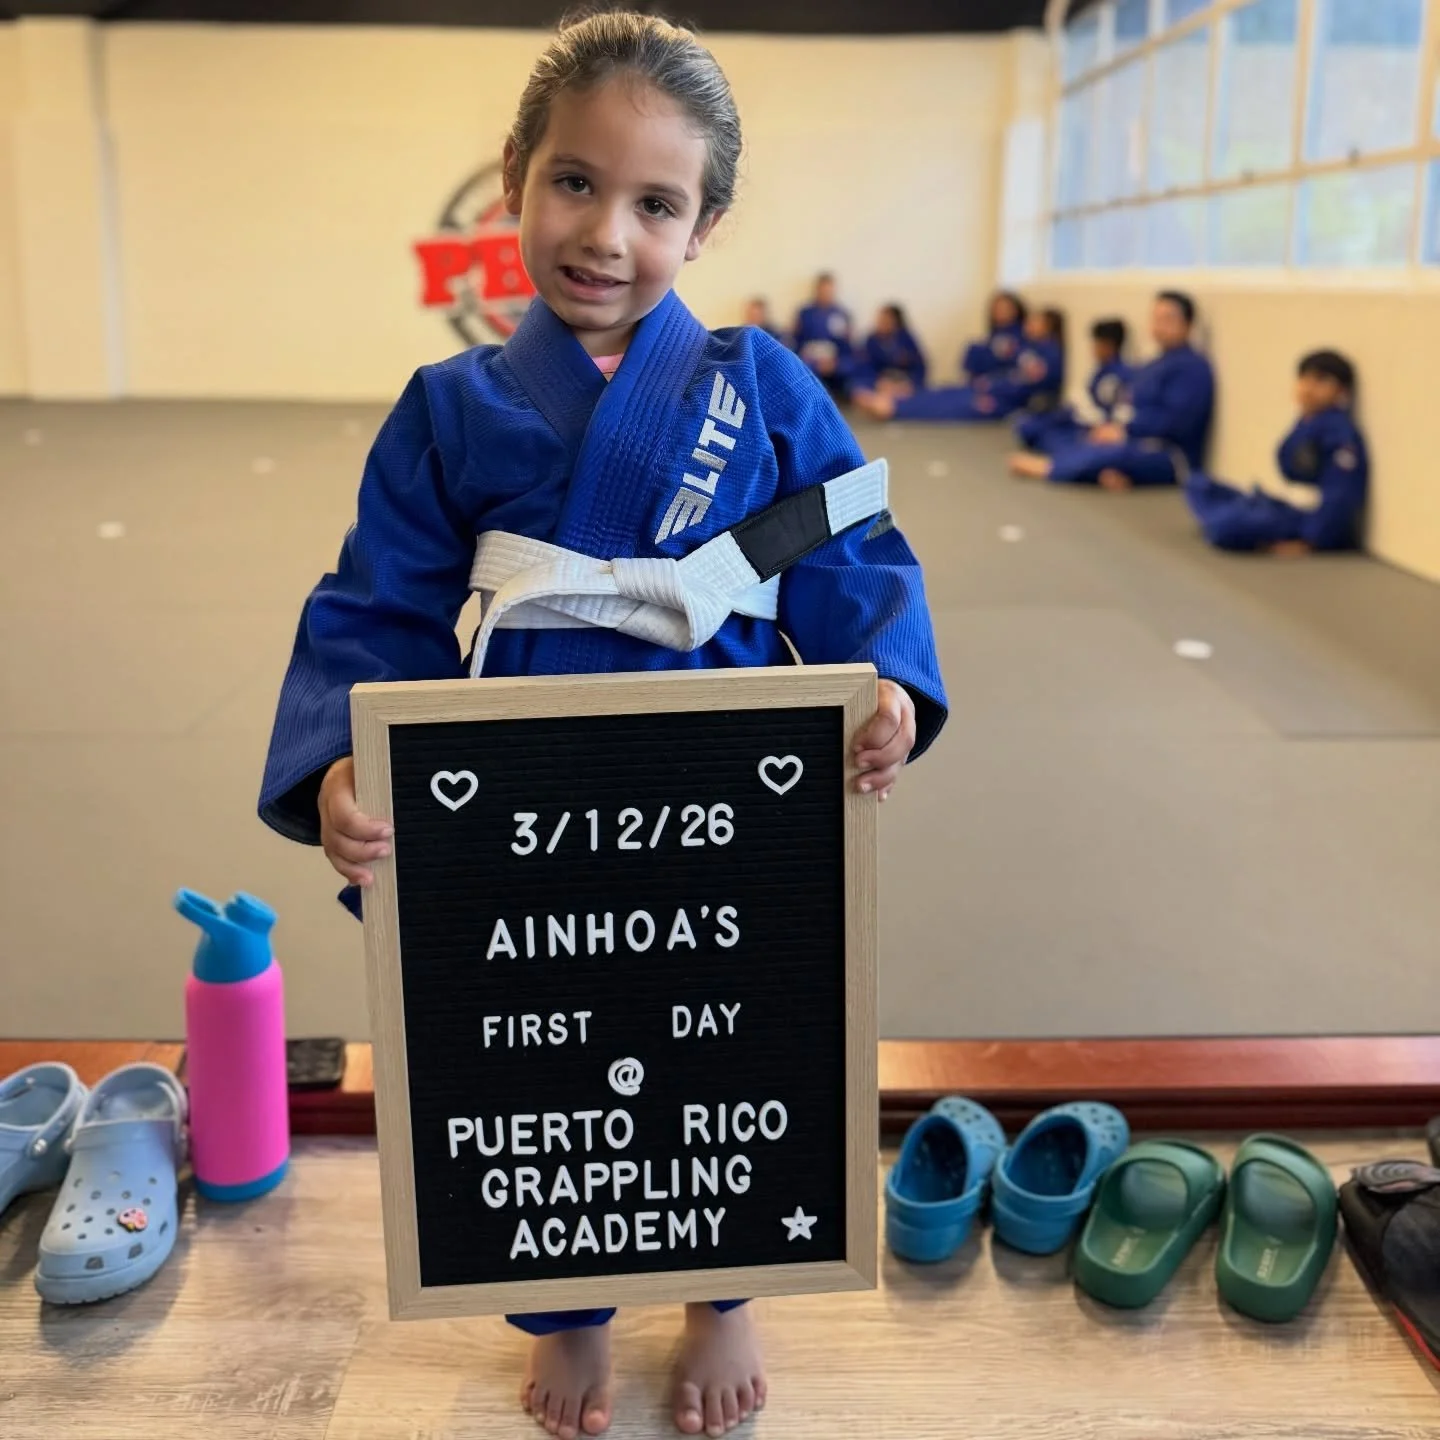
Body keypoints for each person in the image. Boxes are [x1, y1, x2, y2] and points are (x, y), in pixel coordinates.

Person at [255, 13, 946, 1440]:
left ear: (706, 226)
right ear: (513, 173)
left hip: (725, 771)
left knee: (727, 1036)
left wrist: (884, 678)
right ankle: (561, 1301)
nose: (605, 234)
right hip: (529, 784)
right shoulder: (450, 407)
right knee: (537, 1049)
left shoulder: (761, 388)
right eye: (574, 182)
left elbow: (855, 549)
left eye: (654, 204)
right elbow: (373, 607)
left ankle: (724, 1287)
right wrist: (336, 763)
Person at [1009, 291, 1213, 490]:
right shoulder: (1152, 364)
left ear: (1187, 324)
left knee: (1108, 452)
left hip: (1166, 453)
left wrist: (1125, 431)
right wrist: (1110, 427)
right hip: (1128, 434)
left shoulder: (1193, 367)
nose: (1160, 325)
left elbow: (1175, 423)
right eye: (1156, 318)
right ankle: (1110, 474)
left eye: (1168, 319)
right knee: (1074, 437)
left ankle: (1050, 468)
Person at [1184, 350, 1368, 555]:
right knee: (1199, 484)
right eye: (1305, 379)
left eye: (1321, 381)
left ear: (1341, 392)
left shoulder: (1340, 434)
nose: (1309, 388)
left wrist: (1311, 542)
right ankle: (1231, 515)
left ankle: (1228, 520)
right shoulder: (1306, 421)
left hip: (1301, 516)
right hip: (1276, 505)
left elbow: (1340, 496)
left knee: (1227, 527)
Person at [851, 308, 1064, 423]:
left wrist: (996, 392)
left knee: (947, 406)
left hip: (996, 401)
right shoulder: (1026, 347)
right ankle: (894, 399)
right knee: (942, 393)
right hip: (985, 388)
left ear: (1048, 327)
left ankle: (894, 408)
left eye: (1036, 321)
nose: (1029, 324)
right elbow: (1007, 370)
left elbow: (1026, 385)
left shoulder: (1047, 354)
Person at [1015, 317, 1131, 456]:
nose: (1093, 349)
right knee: (1028, 426)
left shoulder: (1118, 375)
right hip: (1073, 417)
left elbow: (1112, 414)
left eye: (1096, 344)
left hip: (1087, 425)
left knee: (1048, 436)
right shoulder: (1101, 371)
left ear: (1108, 345)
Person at [792, 272, 855, 396]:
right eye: (823, 290)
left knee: (849, 367)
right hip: (810, 359)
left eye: (829, 291)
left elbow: (846, 346)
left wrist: (833, 362)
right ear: (817, 290)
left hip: (834, 359)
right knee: (800, 367)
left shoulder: (842, 314)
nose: (826, 294)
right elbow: (797, 341)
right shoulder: (805, 313)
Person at [848, 304, 927, 395]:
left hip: (904, 383)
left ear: (896, 322)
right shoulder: (872, 340)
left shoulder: (906, 338)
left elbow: (920, 365)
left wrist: (911, 384)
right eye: (880, 319)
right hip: (880, 383)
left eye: (886, 319)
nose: (881, 322)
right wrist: (878, 382)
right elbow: (865, 366)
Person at [961, 290, 1027, 380]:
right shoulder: (987, 341)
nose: (1000, 311)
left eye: (1005, 308)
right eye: (996, 308)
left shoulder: (1024, 337)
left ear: (1016, 310)